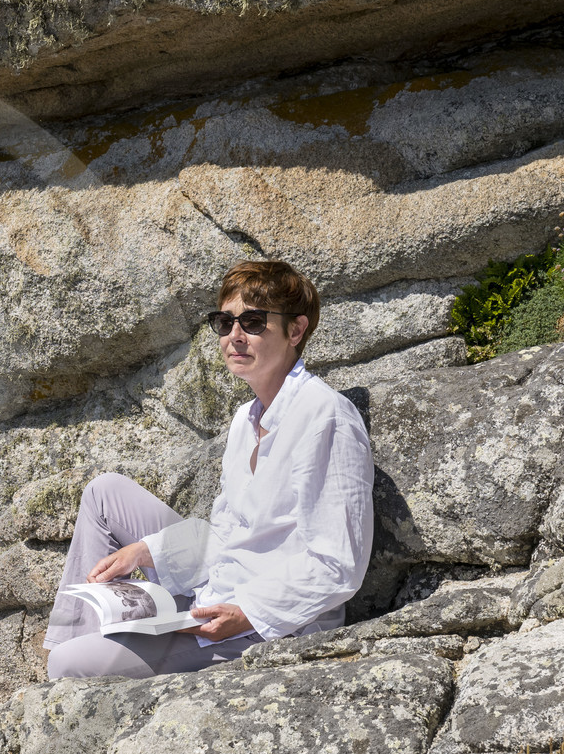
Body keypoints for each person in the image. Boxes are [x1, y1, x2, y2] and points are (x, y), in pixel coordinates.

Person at [43, 260, 374, 680]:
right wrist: (148, 551)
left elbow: (338, 562)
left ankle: (71, 668)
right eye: (225, 322)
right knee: (105, 492)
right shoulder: (244, 420)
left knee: (69, 665)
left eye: (253, 322)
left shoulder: (326, 415)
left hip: (272, 624)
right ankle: (78, 641)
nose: (235, 336)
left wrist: (247, 612)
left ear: (295, 330)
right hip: (218, 587)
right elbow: (224, 533)